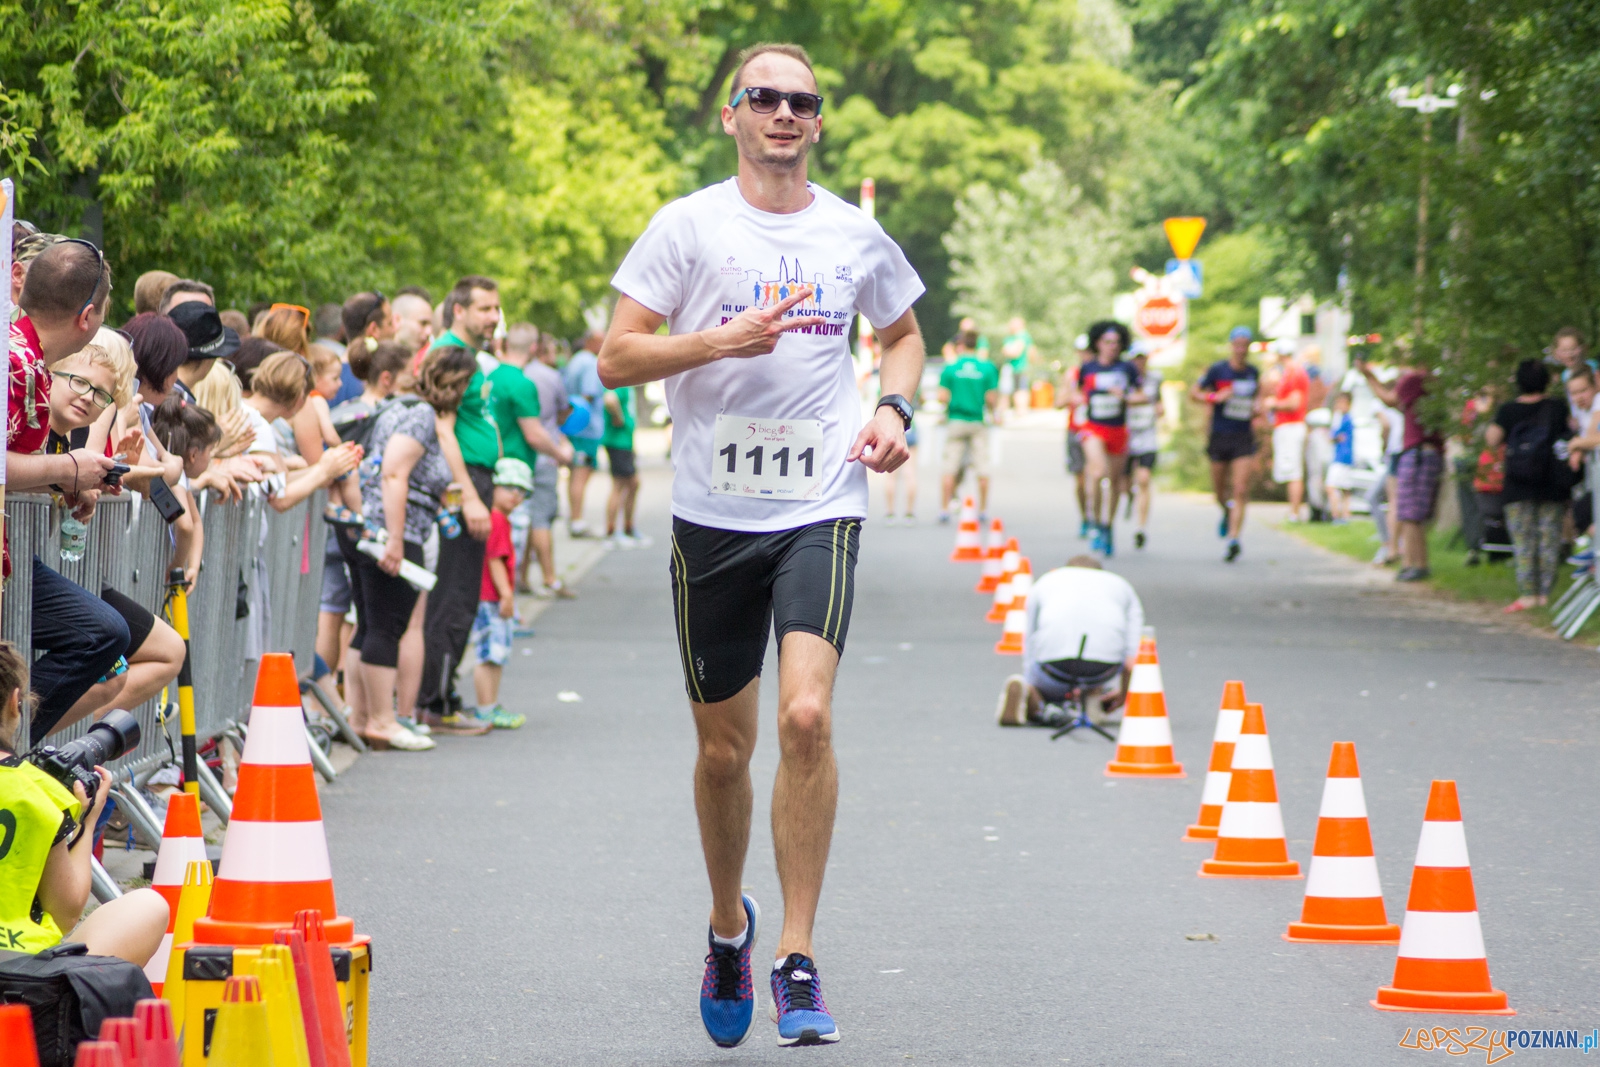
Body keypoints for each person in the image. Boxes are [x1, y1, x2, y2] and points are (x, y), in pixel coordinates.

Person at [600, 41, 924, 1048]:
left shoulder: (852, 232)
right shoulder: (687, 224)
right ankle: (727, 924)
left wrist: (893, 405)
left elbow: (905, 333)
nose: (784, 113)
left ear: (818, 123)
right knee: (721, 748)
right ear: (733, 114)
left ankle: (795, 953)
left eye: (802, 102)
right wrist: (715, 341)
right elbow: (615, 356)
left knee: (807, 715)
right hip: (712, 514)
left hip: (820, 502)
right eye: (764, 98)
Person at [7, 240, 132, 741]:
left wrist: (65, 479)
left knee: (104, 634)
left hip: (9, 558)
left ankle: (12, 749)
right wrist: (68, 464)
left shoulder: (25, 360)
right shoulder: (14, 362)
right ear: (87, 317)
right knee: (100, 632)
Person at [0, 643, 171, 965]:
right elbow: (65, 912)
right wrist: (86, 821)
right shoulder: (36, 789)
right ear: (14, 703)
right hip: (18, 976)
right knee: (148, 906)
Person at [348, 347, 479, 749]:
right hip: (393, 530)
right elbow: (393, 473)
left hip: (371, 527)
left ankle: (361, 717)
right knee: (388, 625)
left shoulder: (399, 408)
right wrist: (397, 538)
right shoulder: (421, 415)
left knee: (369, 625)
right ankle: (383, 722)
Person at [417, 277, 499, 729]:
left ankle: (440, 697)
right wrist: (468, 495)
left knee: (463, 595)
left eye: (496, 308)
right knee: (454, 596)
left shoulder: (471, 357)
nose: (493, 316)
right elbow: (443, 428)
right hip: (461, 488)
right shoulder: (448, 353)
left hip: (477, 483)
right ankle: (436, 702)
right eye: (485, 308)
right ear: (459, 310)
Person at [995, 555, 1143, 727]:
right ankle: (1090, 700)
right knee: (1095, 674)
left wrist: (1032, 680)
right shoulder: (1122, 586)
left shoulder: (1046, 581)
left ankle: (1031, 696)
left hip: (1055, 667)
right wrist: (1125, 696)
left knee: (1048, 687)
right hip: (1102, 670)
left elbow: (1031, 638)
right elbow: (1132, 657)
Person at [487, 323, 575, 585]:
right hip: (515, 474)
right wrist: (561, 454)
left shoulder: (492, 376)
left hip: (495, 467)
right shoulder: (521, 383)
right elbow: (533, 433)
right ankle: (508, 613)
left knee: (499, 544)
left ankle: (508, 605)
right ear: (534, 348)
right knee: (511, 542)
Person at [1486, 359, 1574, 611]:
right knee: (1548, 540)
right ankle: (1545, 594)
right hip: (1552, 485)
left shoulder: (1507, 410)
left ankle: (1527, 594)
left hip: (1517, 485)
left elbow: (1492, 439)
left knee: (1523, 542)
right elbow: (1570, 433)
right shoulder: (1557, 407)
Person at [1360, 351, 1443, 582]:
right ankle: (1412, 563)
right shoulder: (1435, 384)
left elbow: (1389, 399)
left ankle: (1418, 565)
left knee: (1409, 511)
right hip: (1430, 452)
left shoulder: (1413, 380)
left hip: (1416, 453)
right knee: (1413, 512)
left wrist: (1368, 376)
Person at [470, 458, 533, 730]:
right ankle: (485, 707)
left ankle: (491, 704)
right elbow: (495, 559)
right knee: (489, 653)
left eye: (522, 491)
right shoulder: (496, 519)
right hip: (490, 597)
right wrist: (507, 594)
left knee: (499, 653)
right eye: (509, 487)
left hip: (495, 596)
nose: (516, 495)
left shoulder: (501, 518)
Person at [1075, 320, 1144, 557]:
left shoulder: (1127, 369)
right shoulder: (1088, 368)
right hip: (1094, 427)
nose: (1112, 347)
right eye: (1107, 342)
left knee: (1115, 482)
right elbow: (1077, 391)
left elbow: (1142, 396)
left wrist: (1124, 396)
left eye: (1116, 343)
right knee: (1096, 472)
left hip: (1118, 430)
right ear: (1097, 343)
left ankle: (1107, 525)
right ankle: (1094, 519)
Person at [1192, 326, 1261, 562]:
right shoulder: (1218, 370)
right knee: (1219, 493)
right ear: (1232, 345)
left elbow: (1256, 398)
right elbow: (1194, 393)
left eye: (1246, 345)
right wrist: (1214, 398)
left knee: (1240, 489)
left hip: (1243, 436)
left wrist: (1257, 407)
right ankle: (1226, 511)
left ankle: (1233, 538)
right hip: (1220, 435)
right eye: (1238, 344)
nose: (1241, 349)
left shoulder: (1252, 373)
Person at [516, 327, 576, 596]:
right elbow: (564, 411)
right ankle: (550, 578)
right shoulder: (551, 377)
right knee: (541, 518)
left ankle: (522, 576)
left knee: (523, 518)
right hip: (546, 452)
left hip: (520, 457)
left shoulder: (519, 375)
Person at [936, 330, 998, 523]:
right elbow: (991, 398)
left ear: (961, 344)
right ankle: (983, 510)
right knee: (982, 467)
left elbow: (942, 397)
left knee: (950, 467)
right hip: (977, 421)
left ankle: (945, 509)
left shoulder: (952, 367)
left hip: (956, 420)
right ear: (978, 344)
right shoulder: (987, 368)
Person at [562, 329, 607, 537]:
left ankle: (574, 518)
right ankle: (577, 520)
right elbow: (588, 395)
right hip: (586, 428)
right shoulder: (590, 363)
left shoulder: (575, 360)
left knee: (575, 473)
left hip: (574, 427)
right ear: (592, 341)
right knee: (581, 473)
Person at [1264, 340, 1309, 522]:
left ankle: (1294, 513)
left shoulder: (1295, 373)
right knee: (1289, 470)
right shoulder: (1288, 373)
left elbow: (1295, 403)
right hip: (1286, 427)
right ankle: (1292, 511)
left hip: (1291, 426)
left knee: (1293, 471)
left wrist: (1273, 403)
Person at [1123, 343, 1161, 549]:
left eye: (1142, 358)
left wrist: (1159, 409)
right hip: (1126, 436)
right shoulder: (1123, 379)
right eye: (1135, 358)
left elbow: (1158, 401)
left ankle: (1141, 527)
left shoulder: (1155, 379)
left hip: (1147, 435)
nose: (1139, 362)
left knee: (1144, 480)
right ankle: (1128, 497)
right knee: (1124, 484)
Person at [1055, 338, 1093, 538]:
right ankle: (1085, 517)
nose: (1086, 355)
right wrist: (1071, 396)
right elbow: (1058, 402)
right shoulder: (1072, 374)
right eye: (1082, 351)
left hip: (1096, 431)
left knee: (1095, 475)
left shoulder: (1100, 373)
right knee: (1080, 480)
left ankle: (1097, 518)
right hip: (1075, 430)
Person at [601, 384, 645, 546]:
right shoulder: (620, 380)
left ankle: (628, 527)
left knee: (632, 484)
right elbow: (610, 400)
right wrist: (619, 418)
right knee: (620, 485)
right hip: (618, 441)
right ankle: (612, 531)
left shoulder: (628, 383)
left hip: (624, 441)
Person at [1325, 393, 1356, 523]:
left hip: (1341, 458)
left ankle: (1336, 515)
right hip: (1345, 458)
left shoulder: (1344, 420)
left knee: (1331, 486)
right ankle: (1345, 514)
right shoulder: (1347, 419)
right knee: (1345, 488)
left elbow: (1332, 436)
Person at [999, 316, 1033, 412]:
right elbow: (1005, 350)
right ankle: (1003, 411)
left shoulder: (1022, 336)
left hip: (1020, 367)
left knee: (1020, 389)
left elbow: (1016, 352)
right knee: (1006, 390)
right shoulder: (1010, 337)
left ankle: (1021, 410)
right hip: (1011, 367)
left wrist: (1009, 350)